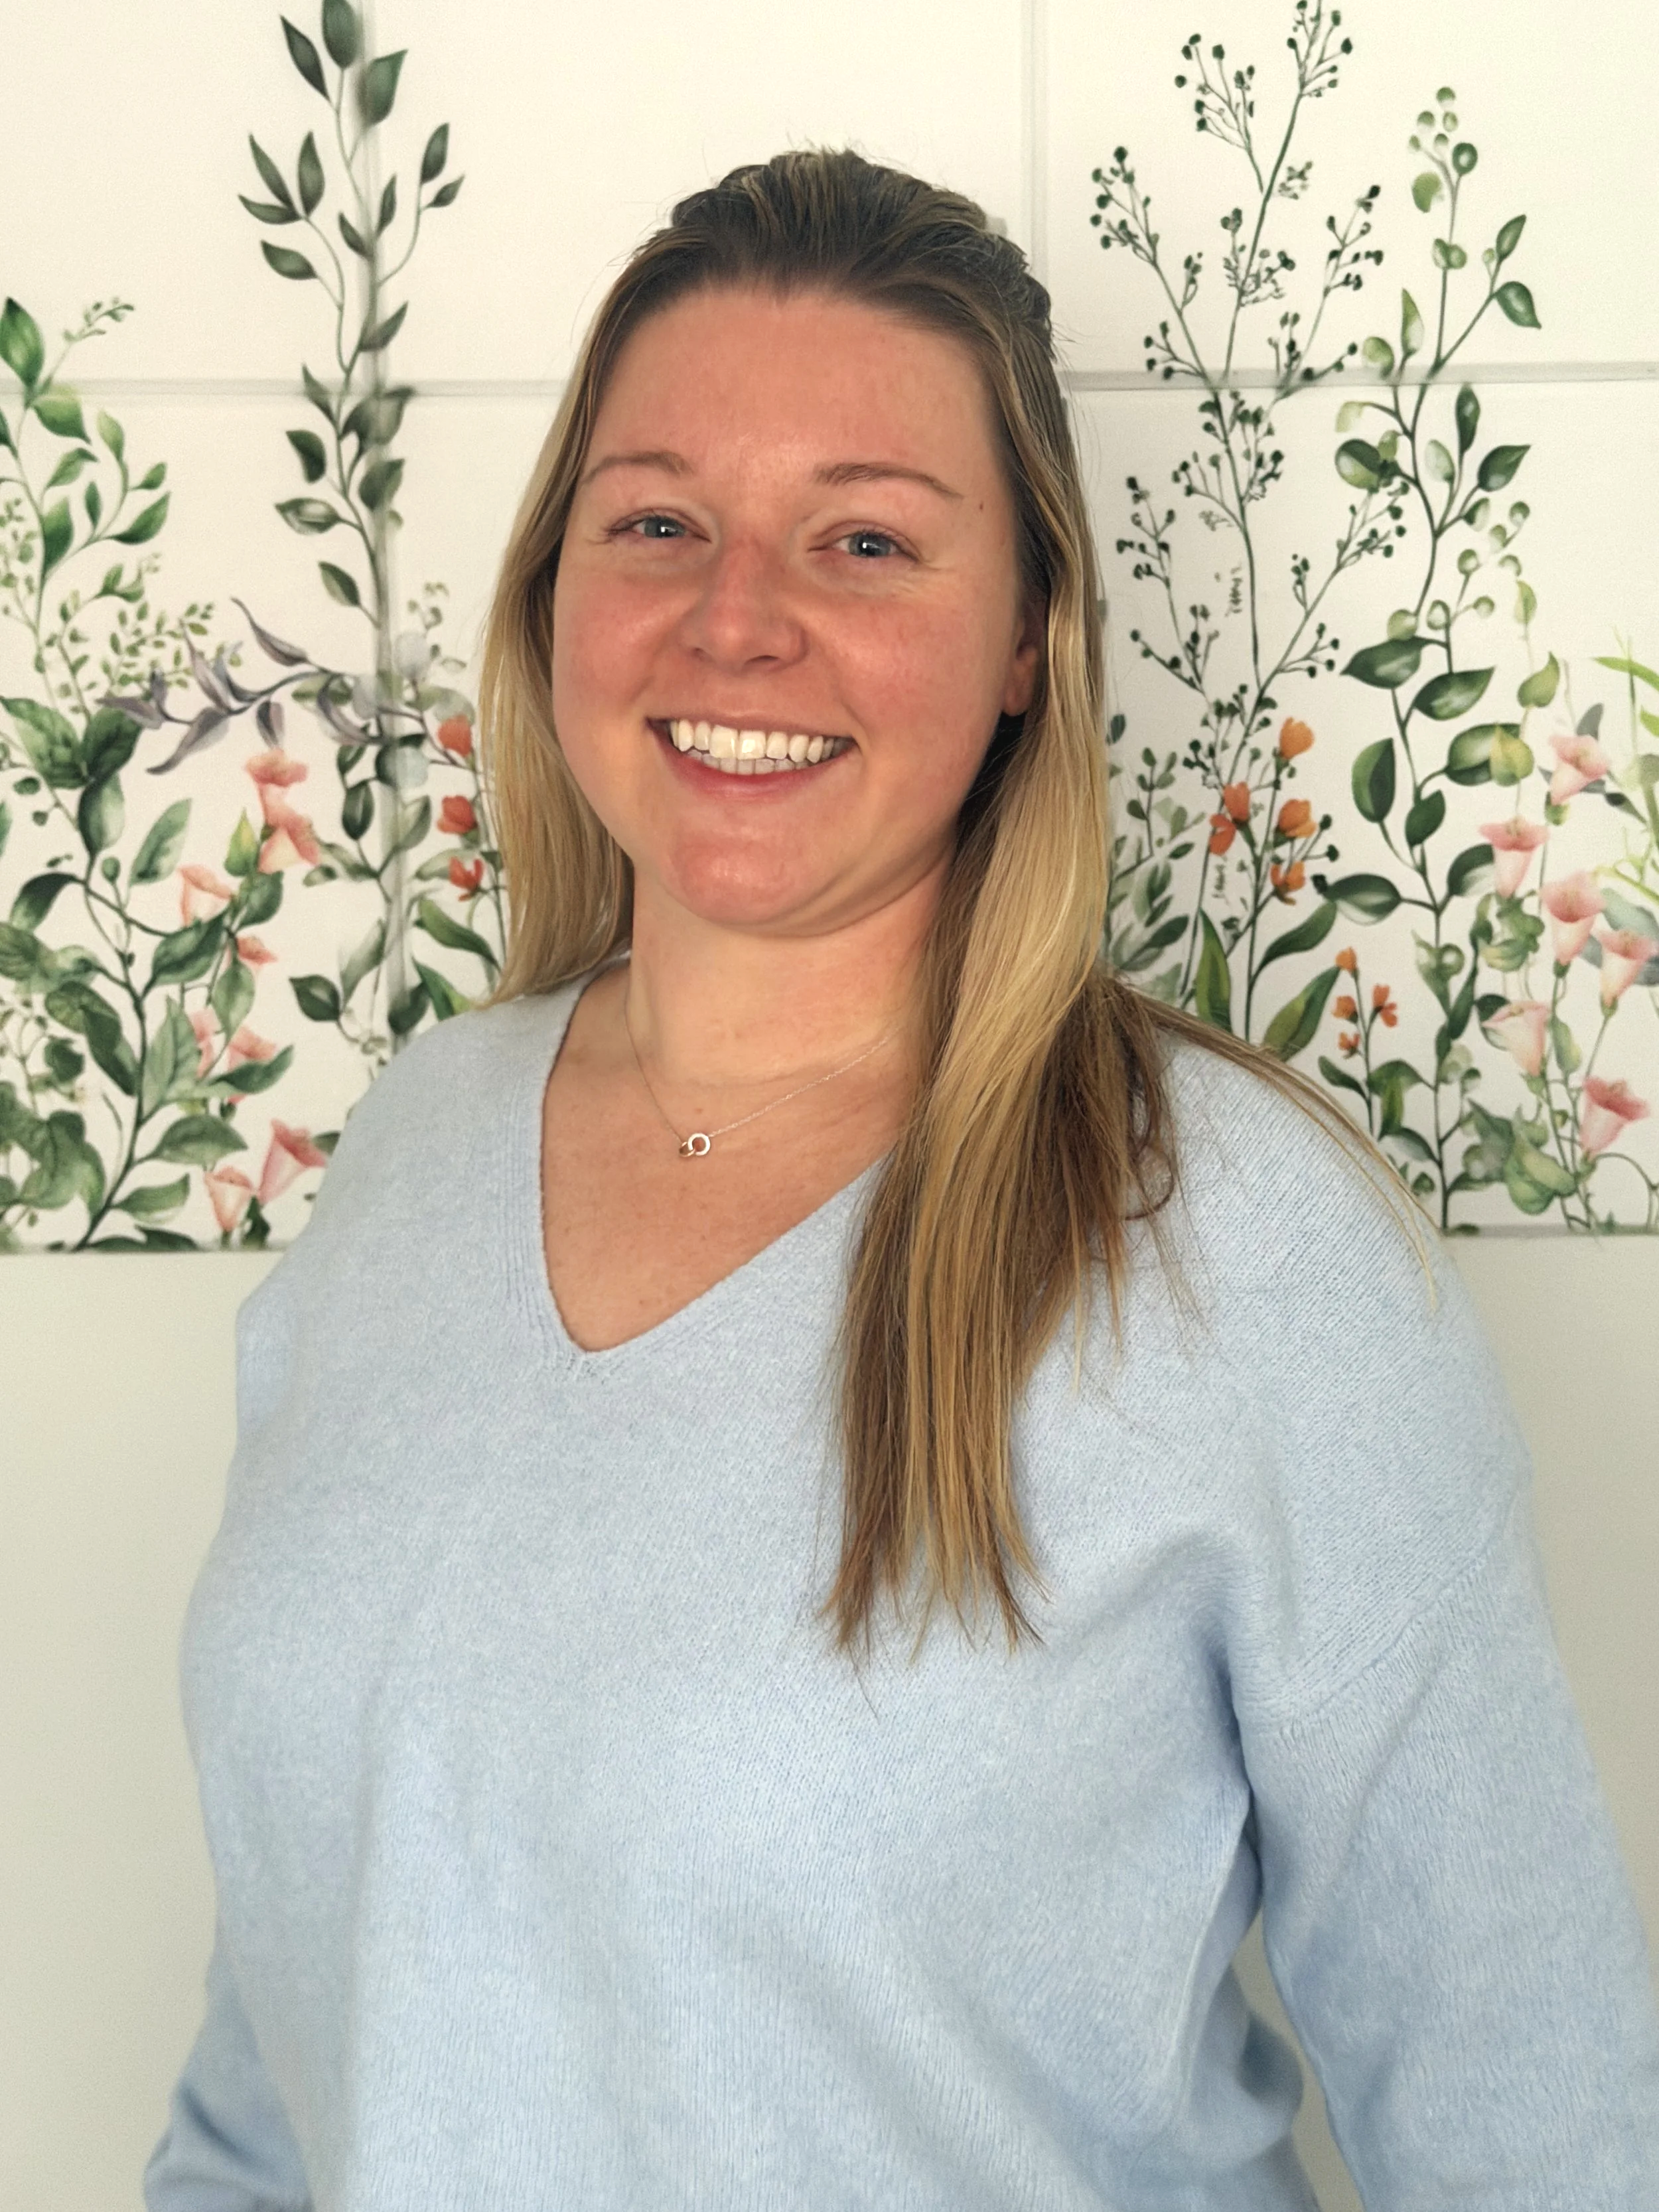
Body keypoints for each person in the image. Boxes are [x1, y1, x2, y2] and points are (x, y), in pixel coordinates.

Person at [147, 150, 1658, 2209]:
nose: (737, 617)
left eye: (864, 540)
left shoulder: (1237, 1248)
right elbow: (284, 2054)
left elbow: (1532, 2120)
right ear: (551, 589)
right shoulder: (416, 1151)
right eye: (656, 520)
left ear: (1030, 635)